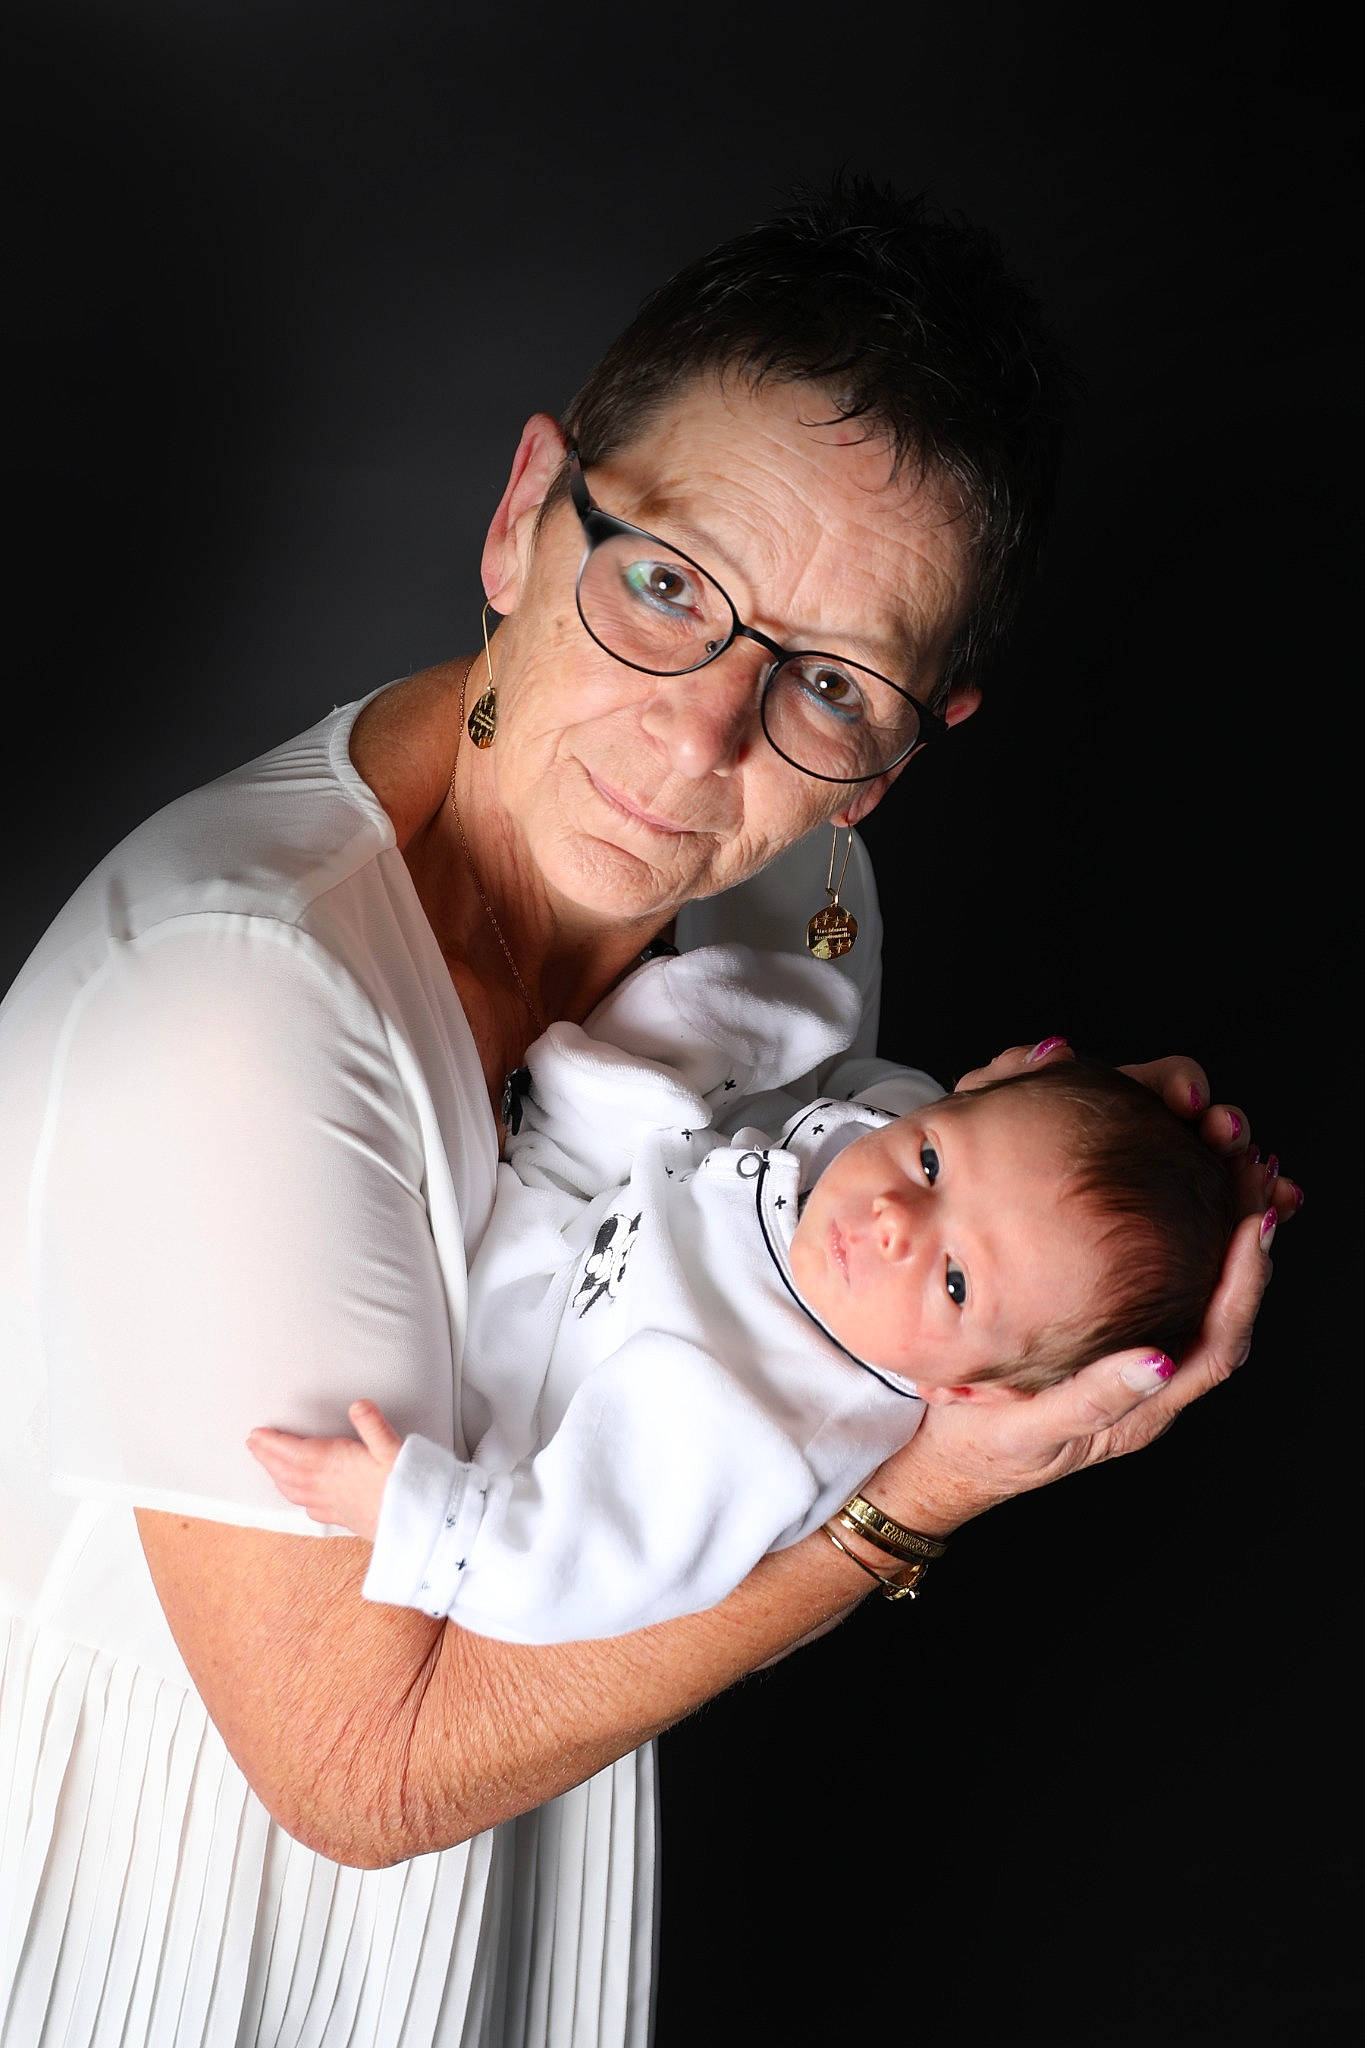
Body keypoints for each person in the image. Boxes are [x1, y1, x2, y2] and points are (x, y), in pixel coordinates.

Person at [0, 174, 1295, 2048]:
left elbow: (782, 1261)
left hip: (525, 1820)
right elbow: (360, 1775)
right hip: (185, 1895)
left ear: (916, 739)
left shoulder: (803, 893)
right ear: (528, 513)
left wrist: (1043, 1154)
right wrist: (917, 1502)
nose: (701, 742)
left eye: (832, 686)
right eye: (670, 583)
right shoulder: (238, 999)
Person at [247, 941, 1242, 1642]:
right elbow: (897, 1104)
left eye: (952, 1279)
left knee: (563, 1188)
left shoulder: (763, 1420)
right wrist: (935, 1112)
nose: (897, 1214)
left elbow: (590, 1563)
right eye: (934, 1160)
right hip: (617, 1218)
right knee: (704, 1084)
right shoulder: (872, 1181)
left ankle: (574, 1124)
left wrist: (418, 1518)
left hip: (515, 1370)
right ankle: (607, 1099)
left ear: (974, 1392)